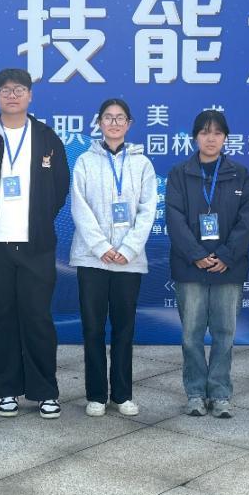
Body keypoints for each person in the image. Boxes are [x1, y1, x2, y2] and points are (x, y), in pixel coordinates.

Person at [0, 68, 70, 419]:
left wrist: (37, 219)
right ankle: (6, 389)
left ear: (30, 95)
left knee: (38, 318)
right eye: (5, 90)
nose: (12, 95)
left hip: (36, 246)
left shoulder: (47, 138)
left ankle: (45, 391)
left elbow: (60, 188)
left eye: (19, 89)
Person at [69, 98, 158, 417]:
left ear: (129, 124)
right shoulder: (85, 161)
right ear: (99, 123)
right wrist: (100, 247)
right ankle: (96, 394)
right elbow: (79, 207)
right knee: (92, 329)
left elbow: (148, 210)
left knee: (124, 329)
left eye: (120, 118)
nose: (114, 123)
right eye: (108, 117)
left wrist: (128, 249)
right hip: (92, 259)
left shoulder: (142, 164)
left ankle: (122, 394)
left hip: (128, 262)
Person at [165, 109, 249, 419]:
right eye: (205, 132)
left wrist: (226, 256)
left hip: (228, 268)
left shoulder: (240, 174)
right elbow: (174, 218)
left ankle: (219, 393)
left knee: (224, 333)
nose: (211, 138)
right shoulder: (179, 173)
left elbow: (247, 220)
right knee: (191, 334)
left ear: (226, 137)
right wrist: (196, 254)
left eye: (217, 133)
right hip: (190, 266)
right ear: (195, 137)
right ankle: (194, 393)